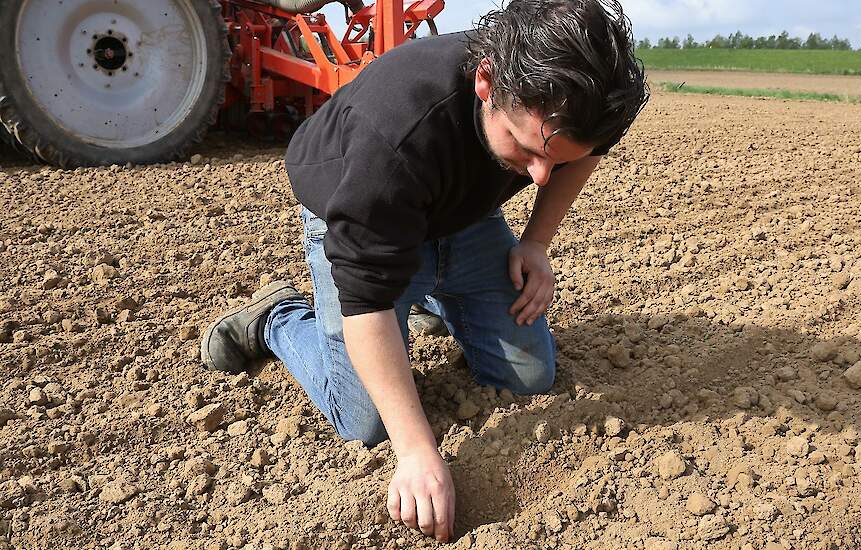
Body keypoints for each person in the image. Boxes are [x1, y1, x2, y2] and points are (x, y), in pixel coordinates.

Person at [199, 0, 647, 542]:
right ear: (486, 82)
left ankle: (431, 295)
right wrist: (415, 451)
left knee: (530, 380)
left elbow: (584, 150)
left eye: (557, 159)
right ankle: (277, 317)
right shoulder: (392, 139)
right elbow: (367, 302)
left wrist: (535, 243)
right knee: (364, 421)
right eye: (527, 151)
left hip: (464, 214)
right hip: (353, 210)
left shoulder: (577, 104)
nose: (539, 176)